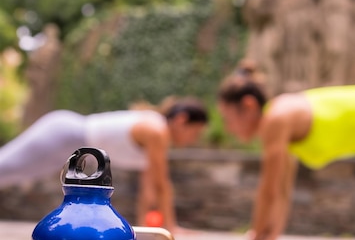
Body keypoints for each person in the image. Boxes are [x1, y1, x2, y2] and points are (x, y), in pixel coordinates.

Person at [217, 60, 355, 240]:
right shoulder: (282, 120)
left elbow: (269, 190)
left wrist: (254, 239)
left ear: (249, 106)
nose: (228, 128)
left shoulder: (276, 119)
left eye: (228, 119)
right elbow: (283, 190)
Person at [0, 98, 208, 232]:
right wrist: (171, 227)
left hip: (68, 146)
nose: (194, 139)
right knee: (6, 167)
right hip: (64, 134)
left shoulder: (155, 128)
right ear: (181, 120)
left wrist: (147, 229)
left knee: (12, 174)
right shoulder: (156, 131)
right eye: (195, 131)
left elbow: (150, 188)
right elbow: (162, 184)